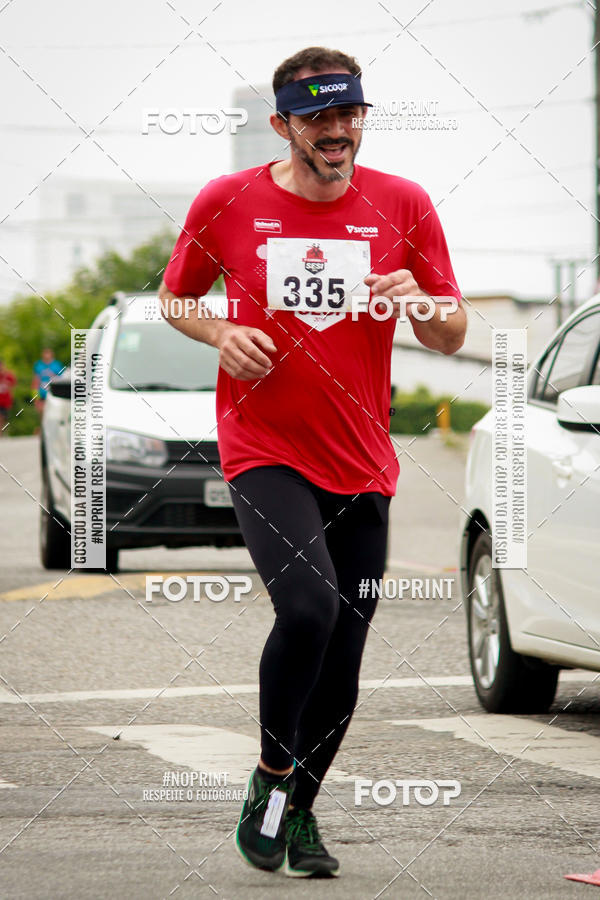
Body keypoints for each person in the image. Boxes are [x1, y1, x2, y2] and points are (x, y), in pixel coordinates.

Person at [160, 46, 467, 878]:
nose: (337, 131)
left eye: (349, 114)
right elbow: (176, 296)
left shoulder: (402, 203)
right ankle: (268, 775)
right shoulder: (227, 201)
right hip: (264, 447)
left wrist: (425, 303)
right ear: (284, 125)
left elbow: (451, 330)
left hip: (362, 460)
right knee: (307, 609)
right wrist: (220, 331)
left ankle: (299, 816)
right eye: (319, 117)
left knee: (345, 661)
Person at [31, 348, 63, 423]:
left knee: (54, 415)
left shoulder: (57, 365)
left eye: (48, 354)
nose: (46, 356)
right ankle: (43, 431)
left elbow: (61, 379)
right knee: (42, 413)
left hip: (54, 394)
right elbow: (35, 382)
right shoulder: (38, 365)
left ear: (52, 355)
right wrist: (35, 397)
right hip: (42, 394)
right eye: (45, 354)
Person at [0, 359, 17, 434]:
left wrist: (11, 399)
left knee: (3, 419)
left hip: (5, 402)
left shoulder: (9, 376)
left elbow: (13, 388)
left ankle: (3, 432)